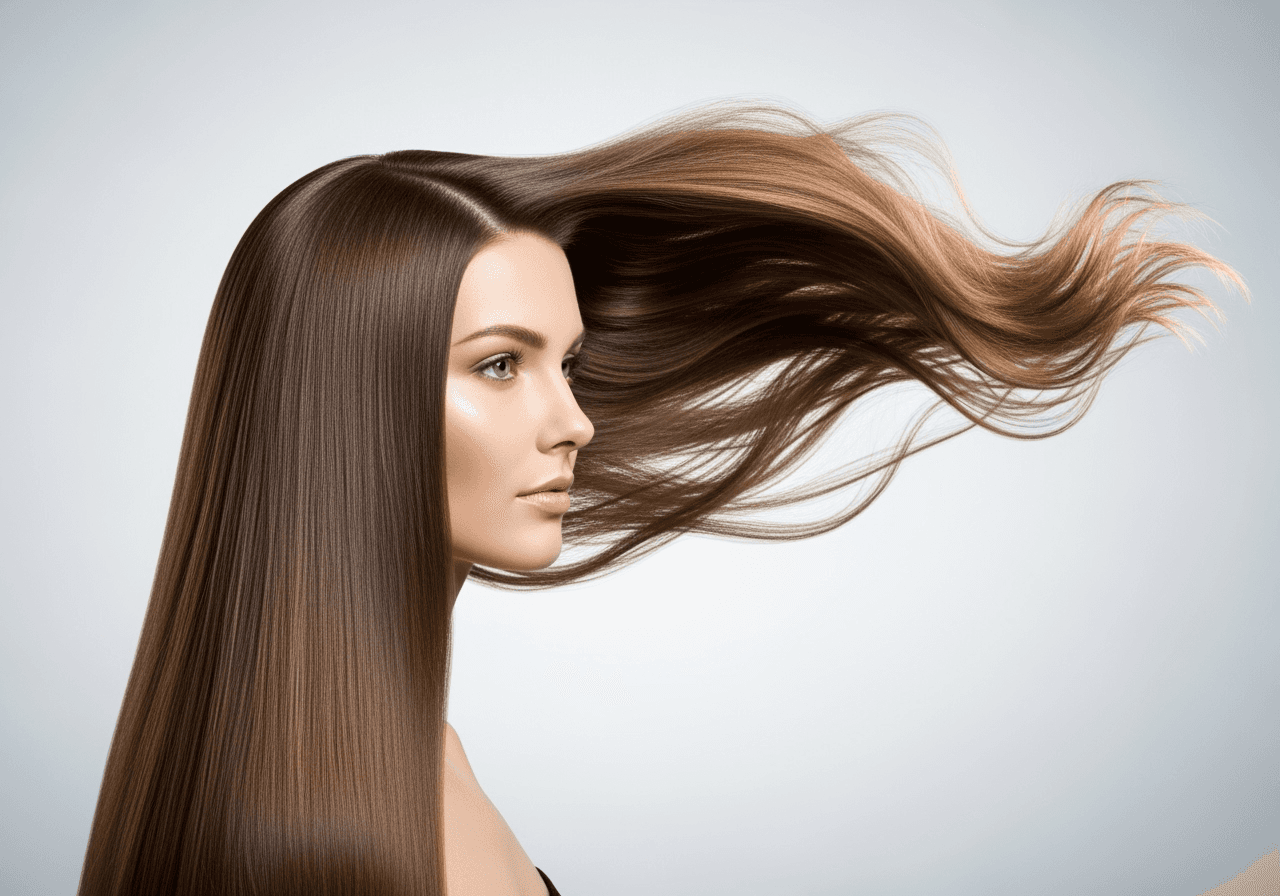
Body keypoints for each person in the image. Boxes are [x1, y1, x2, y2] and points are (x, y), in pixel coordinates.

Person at [76, 103, 1243, 896]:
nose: (572, 418)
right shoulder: (322, 834)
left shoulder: (405, 757)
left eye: (566, 364)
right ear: (343, 399)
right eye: (499, 363)